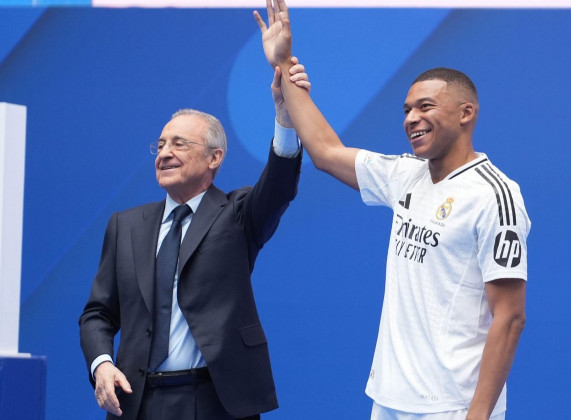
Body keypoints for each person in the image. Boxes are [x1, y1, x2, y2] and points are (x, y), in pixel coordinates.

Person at [253, 2, 531, 420]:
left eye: (425, 106)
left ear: (466, 113)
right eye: (406, 110)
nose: (411, 118)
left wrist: (477, 415)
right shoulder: (406, 175)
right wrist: (284, 65)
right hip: (388, 398)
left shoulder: (496, 195)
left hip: (452, 408)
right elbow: (327, 153)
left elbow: (509, 318)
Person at [78, 60, 311, 420]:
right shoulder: (125, 225)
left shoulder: (237, 214)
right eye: (160, 145)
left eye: (179, 143)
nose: (165, 153)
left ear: (214, 157)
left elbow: (279, 185)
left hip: (216, 401)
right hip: (138, 402)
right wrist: (101, 364)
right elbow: (98, 314)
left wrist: (285, 116)